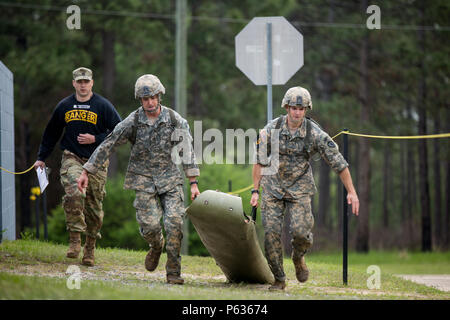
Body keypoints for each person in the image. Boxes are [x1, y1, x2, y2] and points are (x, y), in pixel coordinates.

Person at [77, 74, 200, 285]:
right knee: (150, 226)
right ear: (140, 100)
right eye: (145, 99)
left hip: (170, 180)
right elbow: (109, 143)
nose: (150, 102)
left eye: (153, 97)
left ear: (159, 96)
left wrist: (193, 183)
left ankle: (173, 272)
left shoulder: (174, 120)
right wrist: (87, 171)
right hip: (143, 181)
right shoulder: (133, 121)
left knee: (175, 224)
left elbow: (187, 151)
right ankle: (155, 246)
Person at [250, 86, 359, 291]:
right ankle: (279, 278)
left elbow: (339, 163)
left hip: (300, 188)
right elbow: (259, 162)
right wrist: (255, 191)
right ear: (286, 107)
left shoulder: (315, 134)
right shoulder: (270, 130)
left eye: (301, 109)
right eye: (293, 108)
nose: (297, 112)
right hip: (273, 187)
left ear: (306, 109)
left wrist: (351, 191)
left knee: (301, 233)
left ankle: (298, 257)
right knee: (271, 234)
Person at [34, 67, 122, 266]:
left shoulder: (103, 105)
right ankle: (75, 240)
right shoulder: (64, 106)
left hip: (97, 162)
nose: (83, 85)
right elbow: (51, 133)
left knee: (94, 207)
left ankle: (90, 247)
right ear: (74, 83)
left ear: (92, 83)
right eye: (79, 82)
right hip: (72, 158)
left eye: (86, 81)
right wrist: (41, 157)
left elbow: (120, 131)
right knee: (74, 192)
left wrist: (96, 138)